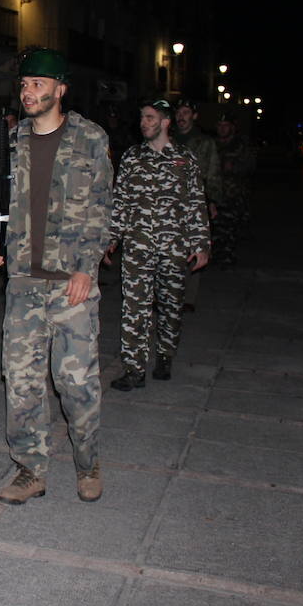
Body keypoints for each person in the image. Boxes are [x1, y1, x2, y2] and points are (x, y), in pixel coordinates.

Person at [0, 48, 112, 505]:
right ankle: (29, 469)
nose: (28, 91)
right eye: (24, 84)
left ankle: (87, 462)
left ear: (60, 89)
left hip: (70, 284)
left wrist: (86, 268)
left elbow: (103, 209)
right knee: (20, 382)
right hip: (23, 283)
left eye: (38, 84)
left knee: (75, 384)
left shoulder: (90, 139)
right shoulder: (11, 141)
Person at [105, 100, 210, 389]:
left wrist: (200, 244)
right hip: (138, 246)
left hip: (173, 246)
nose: (143, 123)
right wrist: (111, 239)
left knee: (171, 306)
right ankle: (134, 368)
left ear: (165, 122)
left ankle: (165, 354)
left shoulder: (184, 158)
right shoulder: (131, 157)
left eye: (150, 118)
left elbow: (195, 203)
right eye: (142, 118)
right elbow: (120, 201)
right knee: (134, 307)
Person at [171, 101, 220, 311]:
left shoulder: (204, 143)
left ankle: (189, 297)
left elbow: (213, 172)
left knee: (193, 246)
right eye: (179, 113)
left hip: (194, 201)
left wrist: (212, 200)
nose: (182, 117)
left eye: (186, 113)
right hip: (169, 202)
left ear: (194, 116)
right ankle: (164, 294)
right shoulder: (166, 138)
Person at [213, 114, 256, 267]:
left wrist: (234, 167)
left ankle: (227, 258)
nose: (222, 128)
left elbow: (250, 166)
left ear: (232, 127)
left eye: (225, 125)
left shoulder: (241, 145)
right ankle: (217, 256)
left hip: (234, 195)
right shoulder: (212, 144)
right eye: (219, 125)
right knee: (216, 228)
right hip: (216, 194)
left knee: (230, 229)